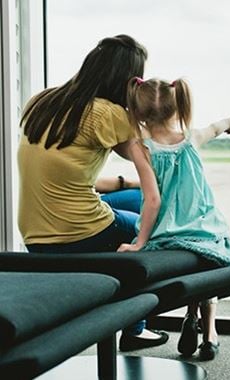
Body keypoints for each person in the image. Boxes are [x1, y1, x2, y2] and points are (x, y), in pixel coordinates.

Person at [17, 34, 168, 351]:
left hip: (35, 235)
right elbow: (156, 156)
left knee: (134, 200)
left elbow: (64, 174)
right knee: (150, 223)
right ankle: (134, 327)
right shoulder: (107, 115)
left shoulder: (42, 101)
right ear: (129, 80)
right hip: (77, 232)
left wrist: (126, 185)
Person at [118, 76, 230, 360]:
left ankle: (190, 317)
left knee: (193, 267)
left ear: (138, 112)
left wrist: (139, 242)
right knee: (206, 268)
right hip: (205, 230)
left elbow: (152, 200)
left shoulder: (141, 147)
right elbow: (217, 127)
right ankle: (208, 332)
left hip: (168, 235)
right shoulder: (192, 138)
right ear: (177, 107)